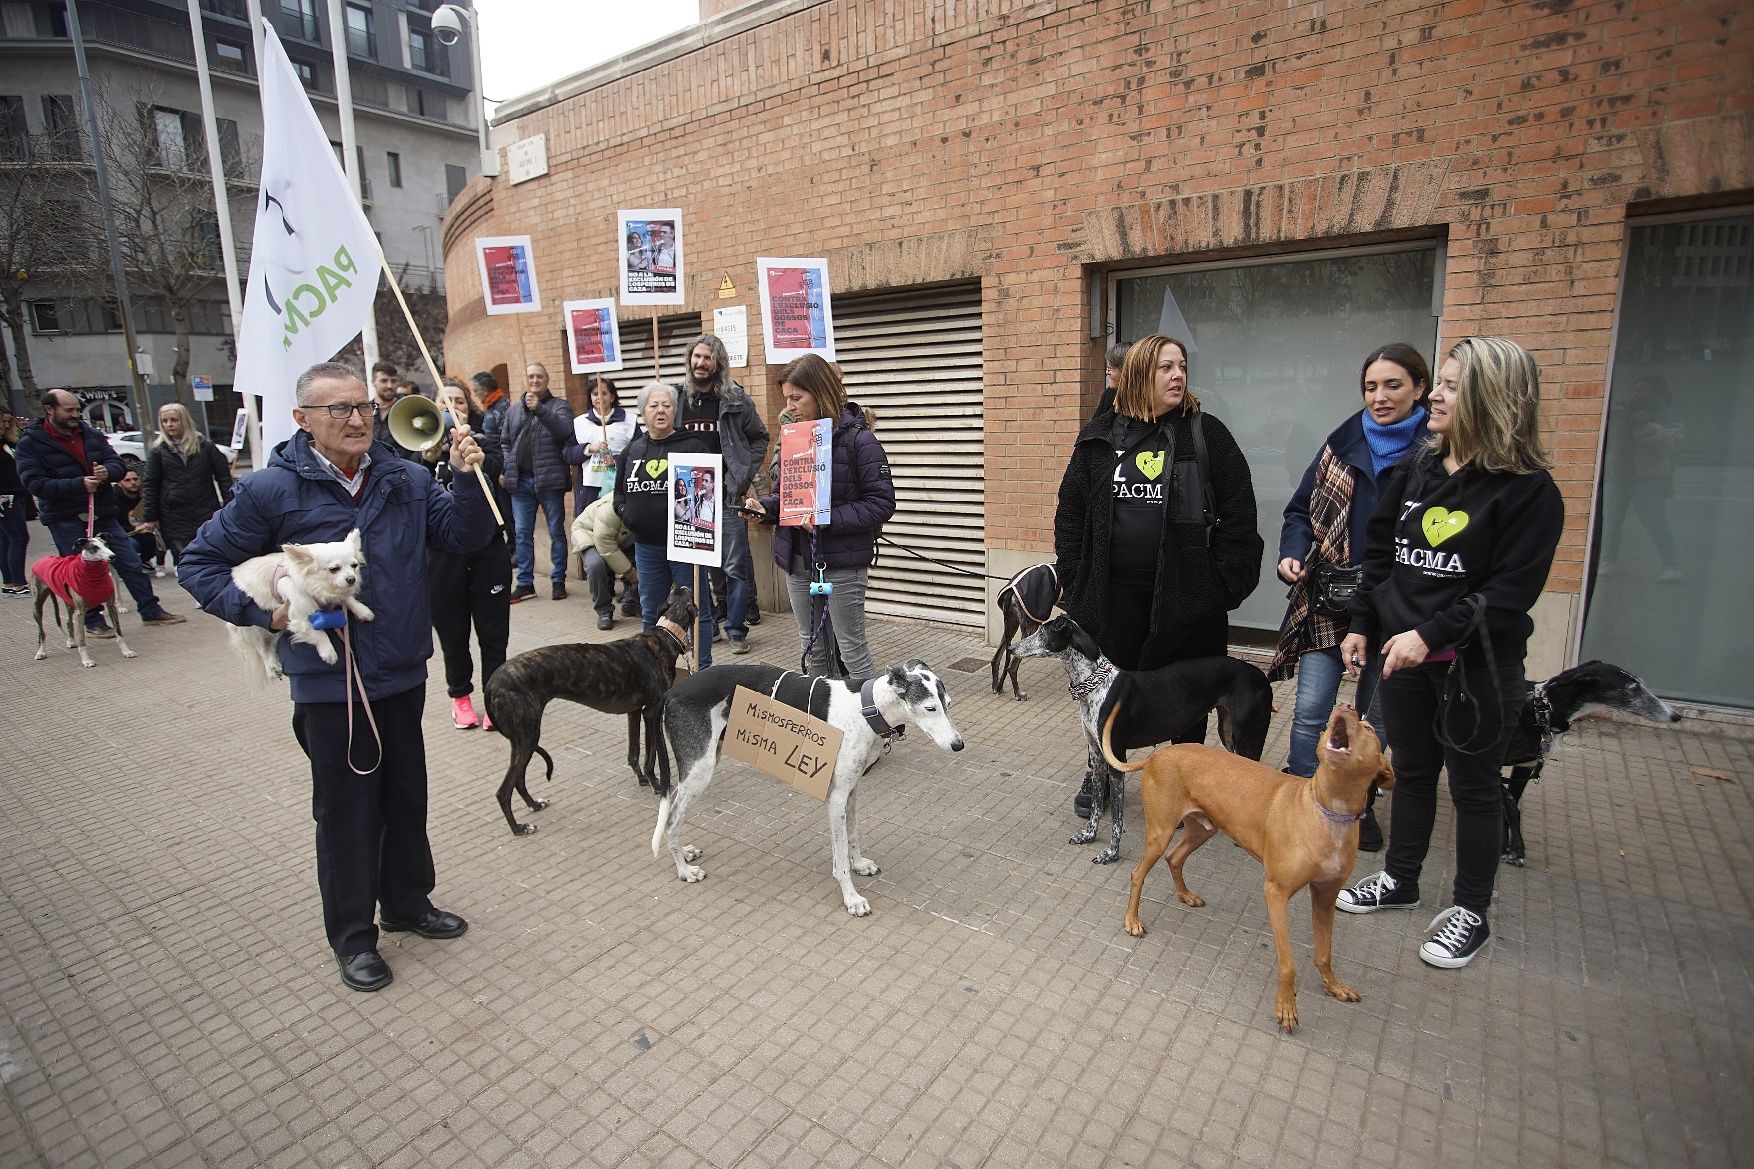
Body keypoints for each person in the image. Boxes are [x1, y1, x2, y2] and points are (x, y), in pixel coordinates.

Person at [178, 360, 495, 993]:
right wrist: (261, 613)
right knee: (348, 812)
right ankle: (353, 938)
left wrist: (465, 479)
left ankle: (407, 903)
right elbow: (200, 562)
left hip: (401, 671)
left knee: (406, 798)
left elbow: (466, 534)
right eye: (338, 410)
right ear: (303, 420)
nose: (356, 419)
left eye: (362, 408)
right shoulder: (272, 489)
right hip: (331, 687)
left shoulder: (404, 477)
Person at [1336, 336, 1565, 970]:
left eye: (1453, 385)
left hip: (1475, 670)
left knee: (1474, 788)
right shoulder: (1419, 468)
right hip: (1403, 660)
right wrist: (1363, 622)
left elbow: (1507, 594)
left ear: (1494, 398)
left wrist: (1429, 636)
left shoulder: (1529, 492)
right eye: (1438, 381)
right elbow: (1380, 555)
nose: (1433, 393)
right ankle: (1401, 882)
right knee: (1411, 772)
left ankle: (1470, 910)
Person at [1053, 334, 1261, 814]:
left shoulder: (1205, 434)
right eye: (1165, 367)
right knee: (1111, 694)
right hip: (1112, 597)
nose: (1177, 375)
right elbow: (1070, 512)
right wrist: (1075, 578)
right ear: (1140, 375)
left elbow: (1240, 514)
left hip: (1187, 602)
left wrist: (1223, 586)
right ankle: (1102, 773)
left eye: (1182, 366)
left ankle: (1184, 785)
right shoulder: (1100, 438)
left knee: (1186, 701)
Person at [1268, 342, 1431, 849]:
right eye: (1370, 387)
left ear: (1419, 388)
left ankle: (1359, 807)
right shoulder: (1339, 444)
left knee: (1375, 719)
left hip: (1395, 611)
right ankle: (1297, 799)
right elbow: (1299, 510)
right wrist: (1294, 551)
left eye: (1393, 385)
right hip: (1331, 602)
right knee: (1312, 710)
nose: (1379, 397)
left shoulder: (1438, 452)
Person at [745, 354, 895, 679]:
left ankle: (874, 725)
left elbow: (881, 503)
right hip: (798, 562)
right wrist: (766, 509)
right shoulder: (794, 439)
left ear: (820, 392)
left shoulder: (861, 441)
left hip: (841, 565)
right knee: (815, 650)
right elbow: (789, 496)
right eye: (786, 398)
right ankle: (824, 727)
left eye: (796, 397)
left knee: (851, 651)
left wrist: (826, 518)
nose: (789, 406)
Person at [15, 390, 186, 633]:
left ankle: (150, 610)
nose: (76, 415)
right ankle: (93, 620)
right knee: (79, 572)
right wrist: (78, 484)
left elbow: (117, 463)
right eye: (69, 410)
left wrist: (108, 472)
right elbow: (34, 484)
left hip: (104, 515)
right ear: (50, 410)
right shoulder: (30, 443)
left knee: (129, 561)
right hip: (67, 518)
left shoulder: (90, 434)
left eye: (77, 409)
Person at [424, 377, 511, 731]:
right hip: (444, 559)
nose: (452, 408)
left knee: (493, 634)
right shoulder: (418, 452)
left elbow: (500, 476)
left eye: (459, 401)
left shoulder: (485, 444)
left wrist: (475, 456)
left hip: (488, 553)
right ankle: (460, 697)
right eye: (445, 403)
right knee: (453, 633)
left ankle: (494, 698)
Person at [676, 333, 769, 654]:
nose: (701, 363)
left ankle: (736, 629)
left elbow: (759, 438)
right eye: (696, 357)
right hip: (690, 496)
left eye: (708, 357)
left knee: (734, 566)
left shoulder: (735, 399)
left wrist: (742, 473)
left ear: (719, 363)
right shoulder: (676, 398)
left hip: (728, 494)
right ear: (690, 360)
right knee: (704, 565)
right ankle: (711, 623)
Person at [614, 382, 716, 663]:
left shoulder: (693, 447)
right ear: (642, 412)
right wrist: (625, 512)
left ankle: (702, 669)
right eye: (653, 405)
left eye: (667, 405)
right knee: (651, 611)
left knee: (697, 611)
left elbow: (709, 492)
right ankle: (654, 669)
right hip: (646, 547)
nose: (660, 410)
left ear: (675, 411)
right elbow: (619, 493)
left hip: (686, 546)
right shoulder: (632, 451)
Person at [501, 362, 575, 602]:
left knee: (556, 531)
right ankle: (525, 583)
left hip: (549, 481)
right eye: (531, 376)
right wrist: (508, 464)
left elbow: (564, 431)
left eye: (539, 377)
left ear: (547, 380)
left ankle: (558, 580)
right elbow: (505, 441)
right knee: (522, 533)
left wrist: (541, 409)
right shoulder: (513, 410)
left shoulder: (559, 406)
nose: (534, 380)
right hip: (520, 481)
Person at [1597, 373, 1683, 582]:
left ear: (1655, 393)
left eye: (1642, 391)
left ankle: (1672, 566)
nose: (1636, 395)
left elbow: (1672, 444)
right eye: (1635, 390)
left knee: (1655, 522)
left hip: (1648, 477)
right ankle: (1608, 561)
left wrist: (1644, 426)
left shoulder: (1664, 413)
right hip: (1618, 475)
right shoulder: (1628, 411)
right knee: (1611, 522)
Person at [141, 401, 233, 570]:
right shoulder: (158, 451)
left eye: (174, 420)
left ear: (184, 420)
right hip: (174, 514)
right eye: (165, 421)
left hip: (205, 509)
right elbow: (150, 484)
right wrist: (150, 516)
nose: (169, 425)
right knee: (188, 558)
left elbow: (224, 478)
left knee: (211, 554)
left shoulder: (205, 447)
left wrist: (231, 506)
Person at [565, 375, 636, 520]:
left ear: (612, 397)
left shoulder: (629, 421)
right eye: (595, 394)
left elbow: (639, 453)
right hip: (589, 490)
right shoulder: (579, 423)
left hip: (619, 487)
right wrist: (589, 449)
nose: (599, 397)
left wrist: (616, 461)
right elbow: (568, 454)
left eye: (604, 393)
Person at [569, 493, 638, 631]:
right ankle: (604, 610)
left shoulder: (642, 502)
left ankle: (631, 602)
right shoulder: (609, 508)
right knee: (596, 565)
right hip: (590, 534)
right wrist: (631, 574)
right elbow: (606, 546)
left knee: (641, 559)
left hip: (619, 536)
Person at [0, 409, 33, 596]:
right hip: (5, 497)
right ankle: (19, 583)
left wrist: (23, 431)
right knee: (19, 538)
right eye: (2, 422)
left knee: (6, 540)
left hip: (16, 494)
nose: (5, 425)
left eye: (8, 422)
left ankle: (10, 582)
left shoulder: (8, 442)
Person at [1091, 340, 1131, 419]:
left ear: (1125, 370)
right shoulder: (1109, 394)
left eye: (1110, 368)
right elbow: (1094, 428)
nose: (1106, 372)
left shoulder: (1150, 399)